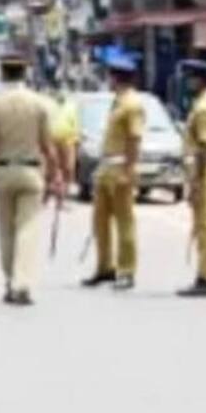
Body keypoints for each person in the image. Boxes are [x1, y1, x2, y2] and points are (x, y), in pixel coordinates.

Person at [0, 53, 57, 305]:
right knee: (27, 228)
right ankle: (22, 283)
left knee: (5, 229)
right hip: (31, 171)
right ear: (25, 74)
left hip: (2, 171)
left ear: (3, 74)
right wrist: (56, 175)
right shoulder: (39, 104)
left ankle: (11, 280)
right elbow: (48, 145)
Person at [84, 48, 143, 290]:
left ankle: (127, 270)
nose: (108, 80)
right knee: (100, 221)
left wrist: (128, 171)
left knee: (124, 222)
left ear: (117, 77)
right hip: (107, 167)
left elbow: (134, 139)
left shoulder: (132, 104)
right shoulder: (117, 102)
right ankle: (104, 267)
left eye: (110, 76)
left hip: (120, 167)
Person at [179, 59, 206, 298]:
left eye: (192, 77)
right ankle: (205, 273)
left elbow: (204, 148)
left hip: (204, 168)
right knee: (205, 223)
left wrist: (196, 181)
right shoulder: (201, 104)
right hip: (203, 167)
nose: (188, 82)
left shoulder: (205, 108)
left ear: (202, 80)